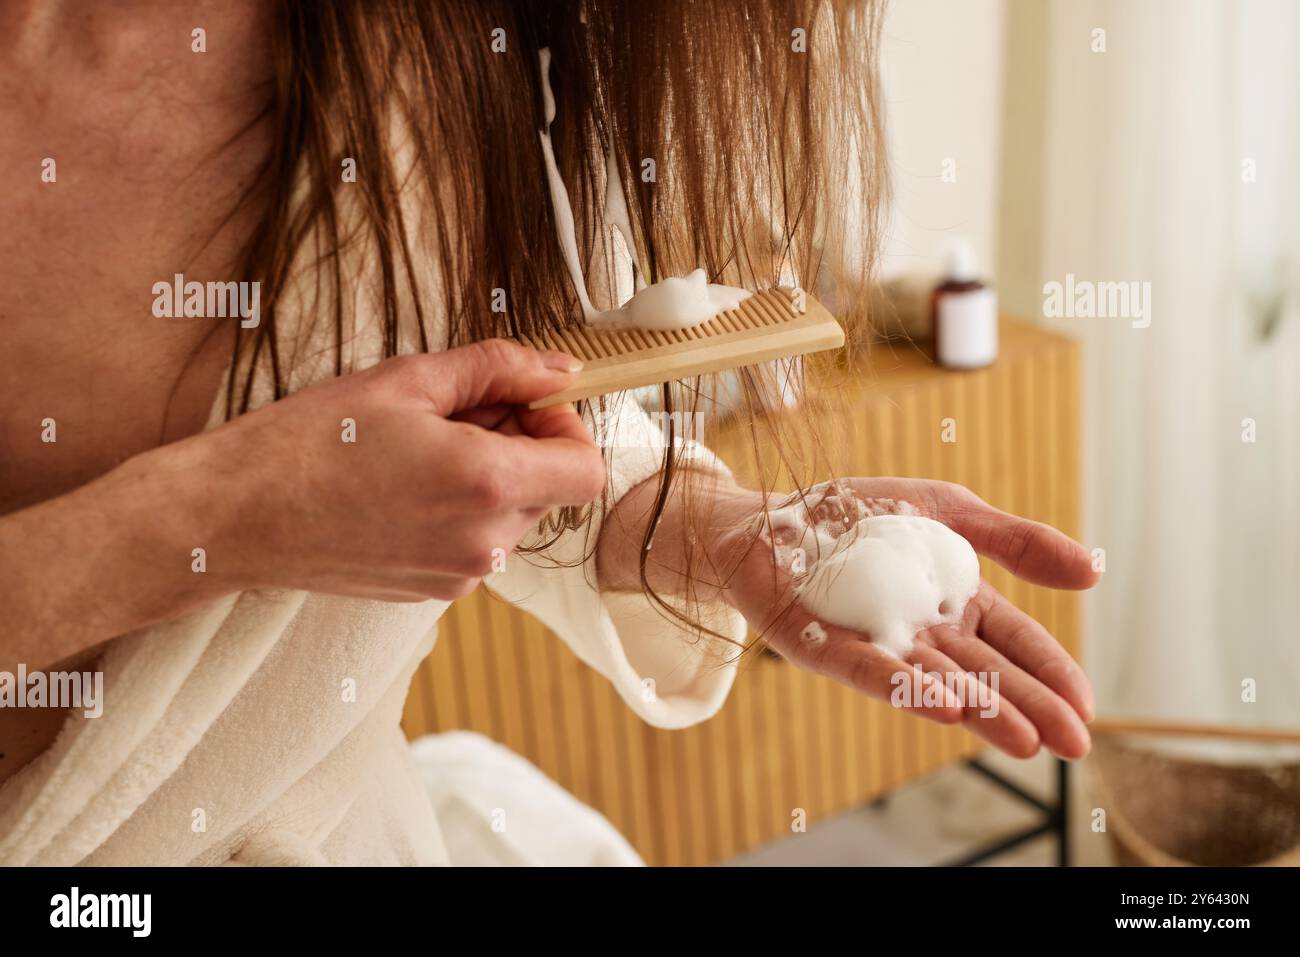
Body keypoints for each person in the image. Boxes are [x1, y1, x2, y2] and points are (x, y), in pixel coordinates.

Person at [0, 0, 1095, 865]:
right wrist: (225, 518)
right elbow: (290, 477)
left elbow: (457, 399)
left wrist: (707, 527)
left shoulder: (419, 42)